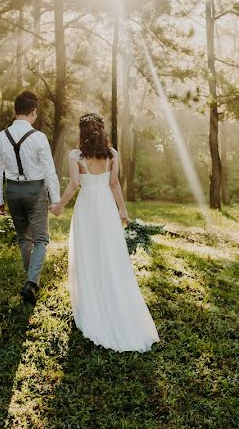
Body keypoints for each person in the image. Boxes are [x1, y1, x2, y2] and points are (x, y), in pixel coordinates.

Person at [51, 113, 159, 353]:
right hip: (107, 210)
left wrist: (59, 205)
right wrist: (122, 211)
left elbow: (74, 184)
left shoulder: (76, 155)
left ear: (82, 132)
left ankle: (91, 305)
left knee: (88, 255)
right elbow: (114, 184)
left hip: (88, 208)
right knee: (109, 255)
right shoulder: (113, 155)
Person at [0, 90, 60, 305]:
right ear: (34, 113)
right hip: (35, 191)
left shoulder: (1, 137)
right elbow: (49, 170)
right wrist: (55, 198)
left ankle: (31, 280)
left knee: (24, 238)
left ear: (15, 111)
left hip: (12, 191)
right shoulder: (39, 138)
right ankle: (31, 283)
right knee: (40, 239)